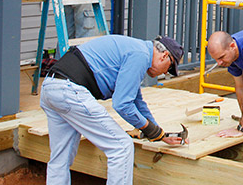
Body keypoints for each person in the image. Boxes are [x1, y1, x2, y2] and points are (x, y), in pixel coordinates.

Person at [40, 35, 185, 185]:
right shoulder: (141, 55)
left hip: (51, 87)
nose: (165, 73)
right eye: (169, 68)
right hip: (70, 90)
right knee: (122, 147)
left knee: (60, 159)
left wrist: (159, 133)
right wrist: (148, 128)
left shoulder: (137, 49)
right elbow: (122, 104)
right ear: (165, 56)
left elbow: (137, 100)